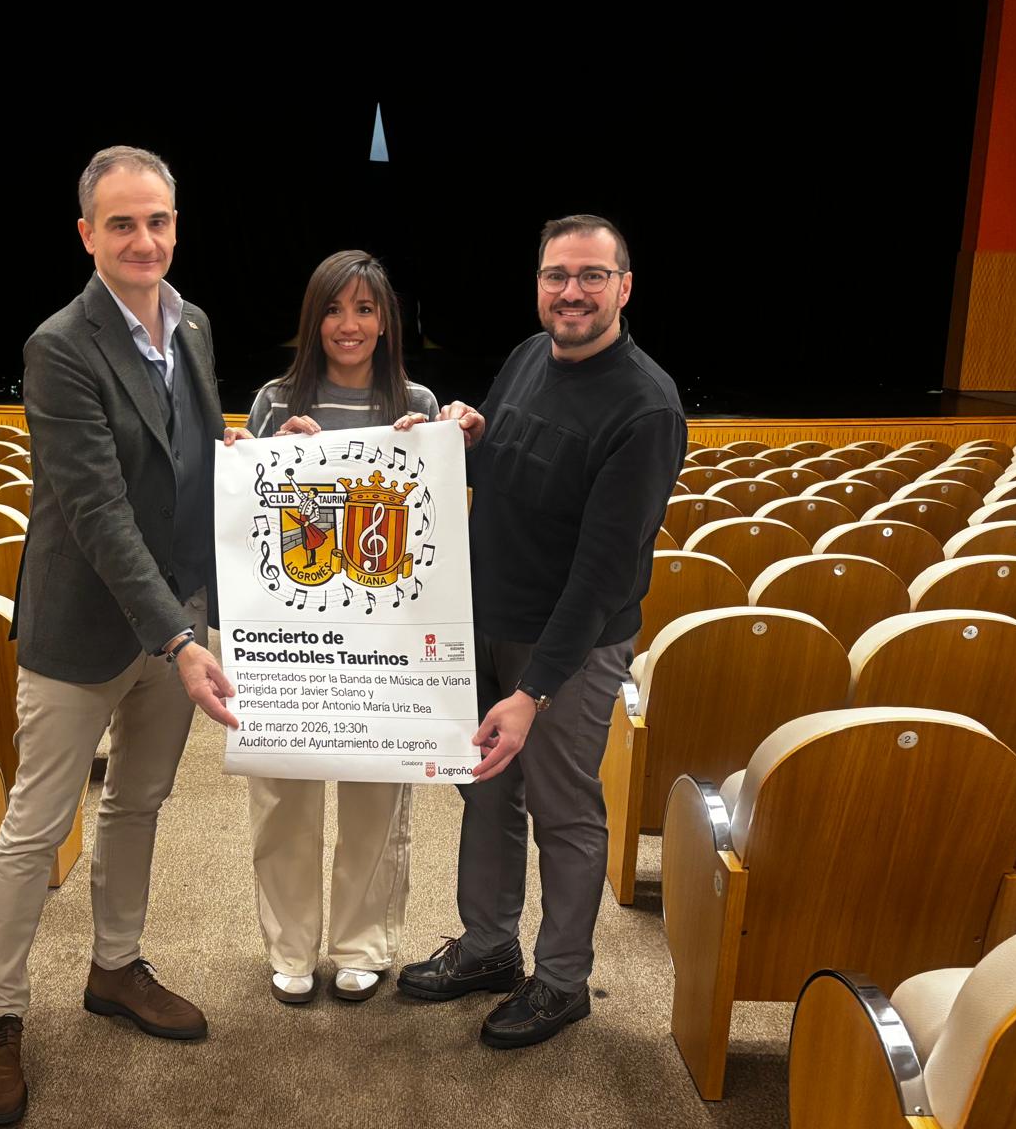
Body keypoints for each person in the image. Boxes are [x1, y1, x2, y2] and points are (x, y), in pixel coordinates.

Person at [0, 146, 249, 1126]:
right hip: (86, 629)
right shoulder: (60, 345)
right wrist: (178, 638)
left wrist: (253, 457)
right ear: (87, 234)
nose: (144, 240)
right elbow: (97, 511)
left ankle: (115, 967)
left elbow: (190, 453)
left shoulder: (192, 323)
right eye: (122, 223)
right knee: (38, 826)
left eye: (157, 221)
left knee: (138, 803)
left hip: (175, 616)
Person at [392, 215, 686, 1049]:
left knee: (563, 812)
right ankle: (489, 948)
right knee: (484, 791)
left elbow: (602, 576)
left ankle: (561, 981)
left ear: (624, 288)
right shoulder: (529, 355)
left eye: (592, 276)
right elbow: (502, 470)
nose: (572, 292)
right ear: (539, 284)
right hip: (485, 624)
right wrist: (462, 439)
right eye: (557, 275)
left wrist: (533, 691)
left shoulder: (646, 407)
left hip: (567, 648)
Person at [239, 250, 438, 1004]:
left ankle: (363, 945)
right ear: (312, 319)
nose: (347, 325)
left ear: (385, 322)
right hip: (293, 641)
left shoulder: (415, 401)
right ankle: (289, 947)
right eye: (332, 308)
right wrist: (263, 459)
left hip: (384, 642)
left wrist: (428, 453)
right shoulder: (272, 399)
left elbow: (430, 526)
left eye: (363, 309)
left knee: (375, 797)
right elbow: (248, 520)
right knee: (283, 797)